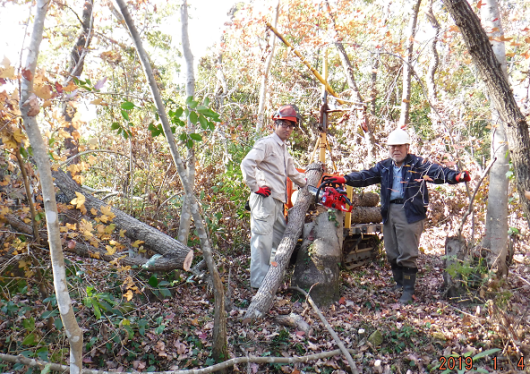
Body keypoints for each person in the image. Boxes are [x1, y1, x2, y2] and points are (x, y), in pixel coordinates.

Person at [325, 129, 471, 303]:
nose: (396, 150)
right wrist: (345, 179)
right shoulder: (385, 166)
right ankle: (400, 283)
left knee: (407, 253)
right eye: (393, 147)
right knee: (392, 251)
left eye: (400, 146)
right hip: (389, 211)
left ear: (407, 147)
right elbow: (366, 176)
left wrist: (456, 176)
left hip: (409, 212)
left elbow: (438, 172)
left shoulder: (418, 164)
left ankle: (408, 291)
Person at [241, 104, 307, 288]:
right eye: (284, 125)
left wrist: (306, 184)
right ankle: (258, 286)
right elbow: (247, 163)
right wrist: (255, 187)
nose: (287, 129)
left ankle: (271, 280)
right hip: (264, 199)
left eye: (290, 126)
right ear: (275, 124)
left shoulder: (283, 148)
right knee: (262, 242)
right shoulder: (267, 143)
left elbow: (292, 172)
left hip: (278, 201)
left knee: (279, 242)